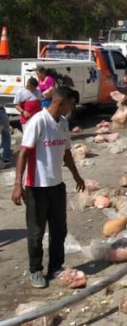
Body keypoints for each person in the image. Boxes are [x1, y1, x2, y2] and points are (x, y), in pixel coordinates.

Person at [11, 86, 85, 288]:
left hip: (57, 186)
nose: (72, 108)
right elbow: (23, 154)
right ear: (61, 103)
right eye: (71, 104)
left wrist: (77, 176)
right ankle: (36, 270)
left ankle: (56, 266)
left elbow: (67, 152)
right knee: (36, 232)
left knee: (59, 229)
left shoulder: (62, 123)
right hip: (36, 187)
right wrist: (18, 184)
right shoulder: (38, 121)